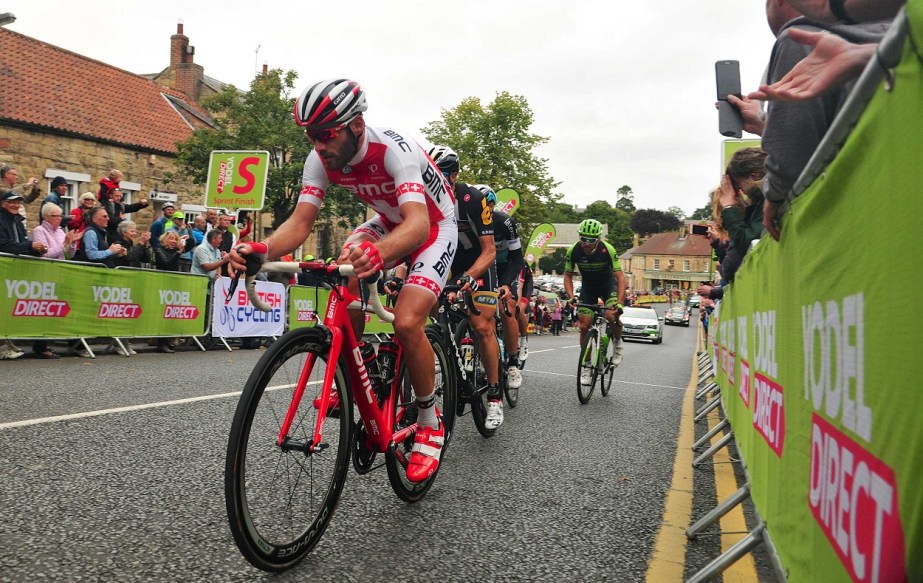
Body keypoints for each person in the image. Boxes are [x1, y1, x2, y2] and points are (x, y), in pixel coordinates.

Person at [231, 79, 457, 483]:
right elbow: (301, 223)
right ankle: (362, 363)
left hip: (434, 227)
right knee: (344, 267)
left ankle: (429, 421)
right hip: (389, 221)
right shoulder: (319, 160)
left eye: (326, 134)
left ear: (356, 125)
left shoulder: (395, 150)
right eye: (311, 136)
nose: (319, 145)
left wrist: (380, 253)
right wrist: (261, 249)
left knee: (407, 322)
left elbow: (419, 225)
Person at [749, 1, 889, 241]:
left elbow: (793, 152)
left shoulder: (798, 37)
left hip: (857, 224)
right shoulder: (904, 36)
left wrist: (773, 196)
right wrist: (761, 123)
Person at [427, 147, 503, 430]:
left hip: (479, 263)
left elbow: (490, 250)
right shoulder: (425, 199)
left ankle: (494, 395)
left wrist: (470, 277)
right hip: (449, 260)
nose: (434, 183)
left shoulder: (472, 199)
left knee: (482, 326)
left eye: (441, 176)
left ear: (454, 175)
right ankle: (445, 357)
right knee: (427, 308)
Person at [563, 219, 626, 386]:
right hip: (588, 287)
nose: (586, 243)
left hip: (608, 286)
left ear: (598, 239)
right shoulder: (574, 250)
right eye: (583, 239)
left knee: (611, 315)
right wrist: (571, 297)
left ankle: (618, 342)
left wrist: (619, 303)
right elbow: (567, 276)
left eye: (591, 240)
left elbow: (620, 278)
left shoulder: (608, 249)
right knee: (584, 326)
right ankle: (586, 365)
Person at [482, 185, 526, 392]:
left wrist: (507, 283)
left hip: (506, 267)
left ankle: (513, 363)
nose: (485, 211)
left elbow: (517, 258)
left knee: (507, 307)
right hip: (485, 267)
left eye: (489, 206)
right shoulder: (469, 222)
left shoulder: (504, 222)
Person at [0, 191, 50, 359]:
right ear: (3, 203)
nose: (16, 205)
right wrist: (30, 246)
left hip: (15, 272)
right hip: (3, 268)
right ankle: (2, 346)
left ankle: (6, 342)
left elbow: (22, 245)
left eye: (18, 202)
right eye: (11, 202)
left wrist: (37, 250)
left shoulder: (19, 222)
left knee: (9, 308)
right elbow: (4, 245)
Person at [717, 148, 768, 284]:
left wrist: (729, 207)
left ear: (754, 176)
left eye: (739, 184)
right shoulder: (761, 202)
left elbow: (747, 243)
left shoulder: (768, 202)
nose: (740, 191)